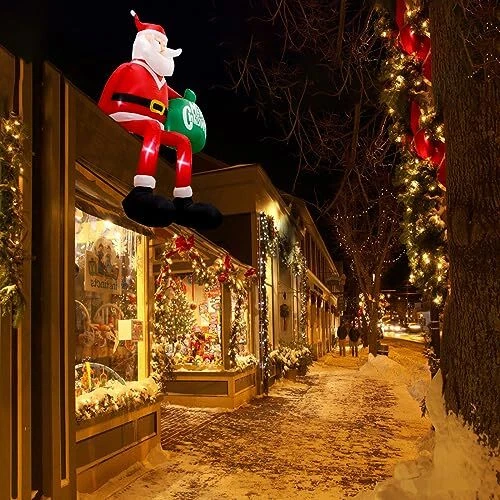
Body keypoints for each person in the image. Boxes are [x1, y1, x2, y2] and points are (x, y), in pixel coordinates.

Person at [99, 10, 222, 230]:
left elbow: (177, 99)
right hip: (124, 116)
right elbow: (107, 94)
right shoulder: (129, 68)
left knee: (183, 141)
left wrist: (187, 101)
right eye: (158, 43)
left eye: (164, 45)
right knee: (152, 127)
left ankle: (183, 201)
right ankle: (142, 190)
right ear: (144, 42)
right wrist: (99, 117)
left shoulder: (162, 82)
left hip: (152, 126)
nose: (163, 48)